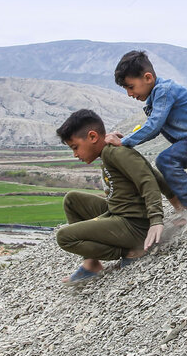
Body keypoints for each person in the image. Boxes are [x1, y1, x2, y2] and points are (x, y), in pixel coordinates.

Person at [105, 50, 187, 217]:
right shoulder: (158, 94)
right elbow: (153, 125)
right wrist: (127, 138)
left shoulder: (163, 91)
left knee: (166, 160)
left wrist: (124, 142)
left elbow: (154, 126)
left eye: (130, 87)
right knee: (169, 162)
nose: (129, 93)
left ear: (148, 78)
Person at [56, 108, 174, 284]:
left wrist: (157, 219)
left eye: (75, 147)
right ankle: (91, 263)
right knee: (72, 200)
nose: (75, 154)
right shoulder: (107, 151)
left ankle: (131, 251)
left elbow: (148, 179)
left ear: (93, 137)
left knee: (64, 237)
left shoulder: (116, 152)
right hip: (117, 214)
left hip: (134, 226)